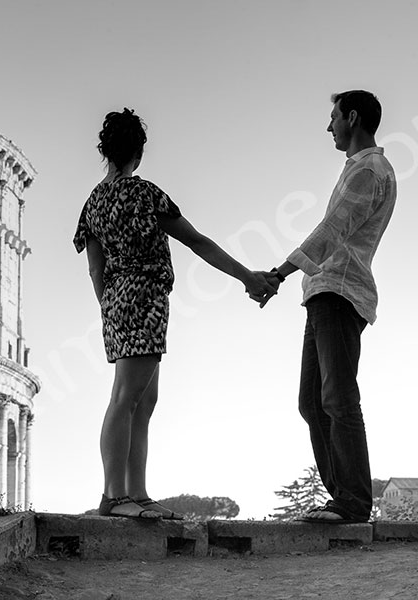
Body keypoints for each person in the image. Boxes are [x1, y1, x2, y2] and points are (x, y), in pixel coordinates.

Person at [73, 108, 277, 519]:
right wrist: (246, 277)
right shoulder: (145, 193)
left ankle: (136, 493)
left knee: (144, 399)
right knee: (127, 398)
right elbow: (197, 242)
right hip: (145, 297)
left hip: (115, 298)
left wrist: (109, 305)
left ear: (106, 152)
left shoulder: (92, 204)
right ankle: (115, 497)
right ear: (139, 153)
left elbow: (94, 267)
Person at [263, 90, 397, 524]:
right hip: (324, 292)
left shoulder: (370, 170)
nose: (329, 126)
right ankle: (342, 498)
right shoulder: (360, 170)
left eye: (334, 117)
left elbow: (332, 230)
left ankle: (353, 502)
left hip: (339, 292)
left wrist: (278, 274)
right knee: (312, 402)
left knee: (338, 398)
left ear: (352, 117)